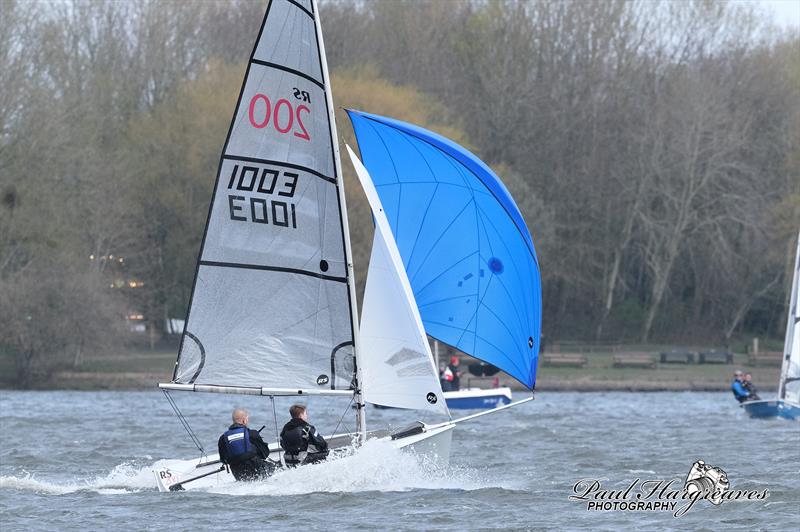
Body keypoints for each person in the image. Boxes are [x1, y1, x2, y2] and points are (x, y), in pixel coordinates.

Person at [218, 408, 272, 481]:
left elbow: (223, 460)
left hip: (237, 472)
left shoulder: (223, 438)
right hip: (256, 469)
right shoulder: (252, 433)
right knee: (278, 467)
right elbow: (265, 454)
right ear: (244, 420)